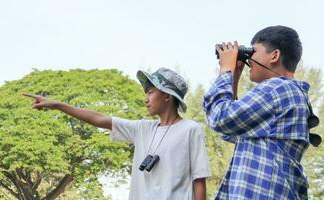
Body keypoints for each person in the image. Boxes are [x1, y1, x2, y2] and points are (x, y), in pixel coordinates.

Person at [24, 67, 211, 200]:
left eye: (151, 92)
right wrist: (57, 105)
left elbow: (199, 181)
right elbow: (100, 119)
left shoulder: (190, 129)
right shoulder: (142, 129)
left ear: (167, 96)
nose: (146, 99)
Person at [203, 25, 310, 199]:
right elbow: (232, 133)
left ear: (274, 55)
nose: (249, 58)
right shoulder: (288, 93)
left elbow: (220, 118)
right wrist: (234, 79)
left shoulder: (278, 88)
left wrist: (225, 70)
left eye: (253, 51)